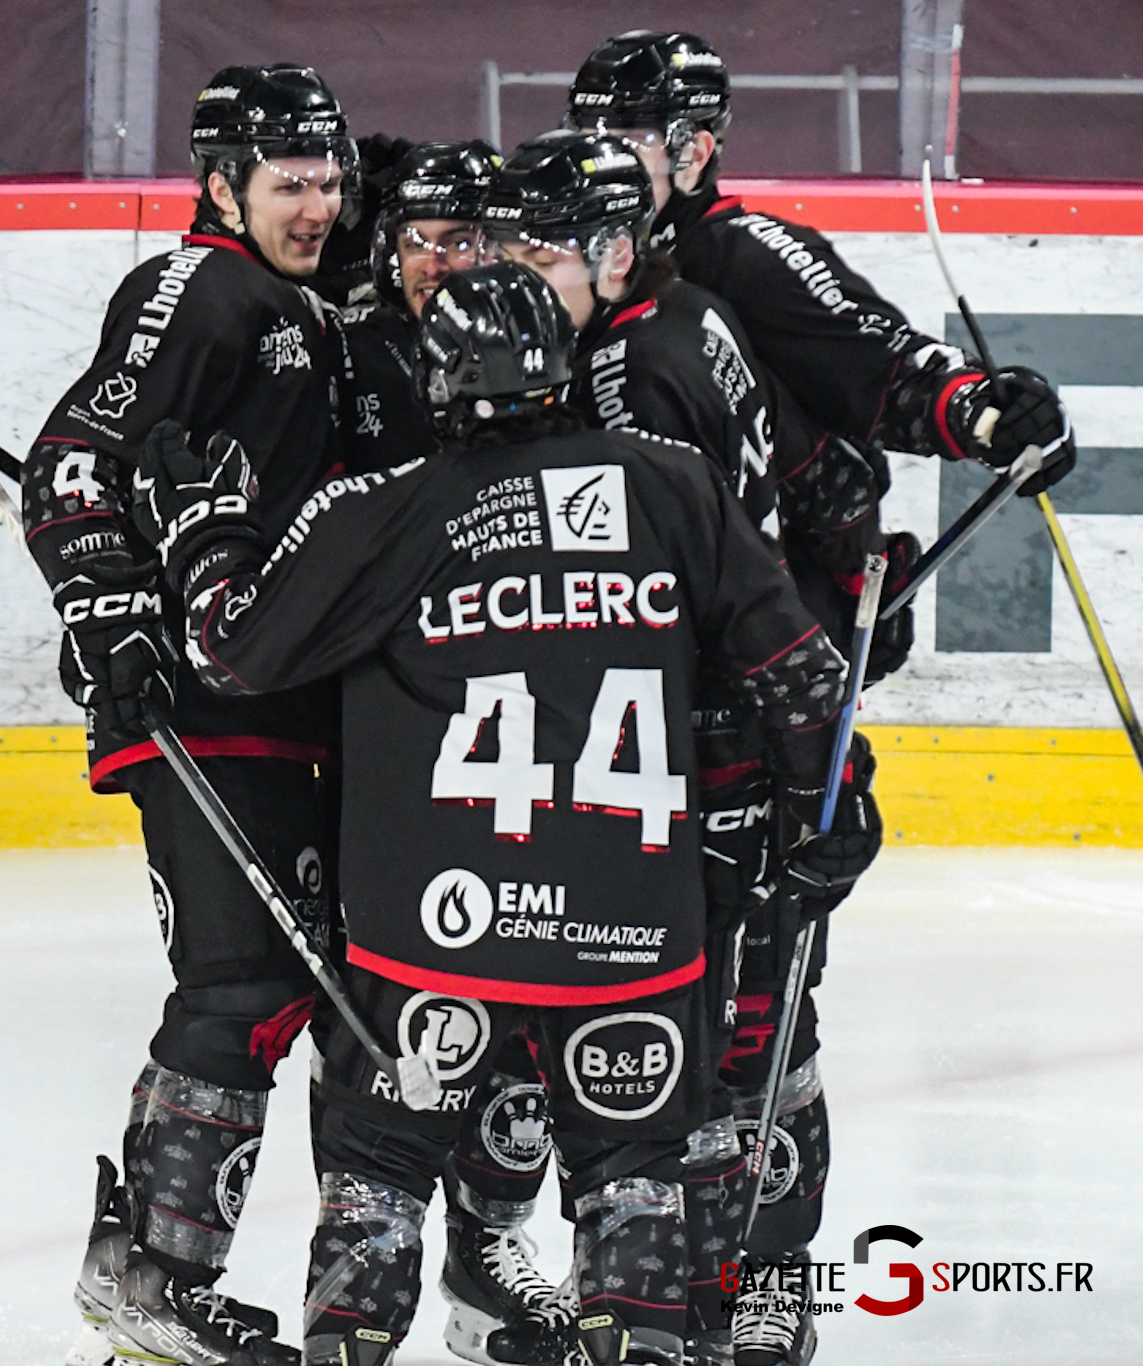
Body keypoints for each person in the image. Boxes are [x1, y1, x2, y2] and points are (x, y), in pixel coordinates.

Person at [127, 261, 857, 1366]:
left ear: (433, 378)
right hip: (629, 931)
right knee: (634, 1202)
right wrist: (831, 811)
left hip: (432, 931)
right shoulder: (669, 484)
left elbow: (233, 646)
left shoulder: (389, 507)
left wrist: (199, 529)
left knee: (376, 1188)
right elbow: (799, 676)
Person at [563, 33, 1079, 1364]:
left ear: (696, 145)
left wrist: (978, 409)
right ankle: (634, 1274)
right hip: (625, 705)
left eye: (633, 136)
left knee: (764, 1007)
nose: (609, 158)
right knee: (625, 1001)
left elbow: (890, 367)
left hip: (767, 685)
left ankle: (768, 1275)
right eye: (598, 131)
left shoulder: (740, 257)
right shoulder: (568, 256)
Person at [468, 130, 883, 1366]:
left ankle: (757, 1281)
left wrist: (811, 750)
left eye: (530, 249)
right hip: (702, 740)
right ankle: (689, 1289)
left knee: (749, 1030)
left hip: (715, 745)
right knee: (709, 1021)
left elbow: (705, 581)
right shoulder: (680, 315)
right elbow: (814, 488)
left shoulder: (627, 374)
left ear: (606, 248)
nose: (507, 270)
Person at [19, 64, 359, 1366]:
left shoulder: (295, 305)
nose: (319, 204)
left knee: (283, 989)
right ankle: (152, 1274)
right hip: (203, 704)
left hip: (280, 704)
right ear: (223, 182)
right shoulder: (198, 287)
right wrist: (113, 611)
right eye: (292, 182)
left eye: (331, 180)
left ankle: (158, 1285)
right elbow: (73, 458)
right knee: (241, 983)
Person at [341, 139, 502, 472]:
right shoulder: (350, 351)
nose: (433, 267)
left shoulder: (546, 354)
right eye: (415, 244)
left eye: (458, 243)